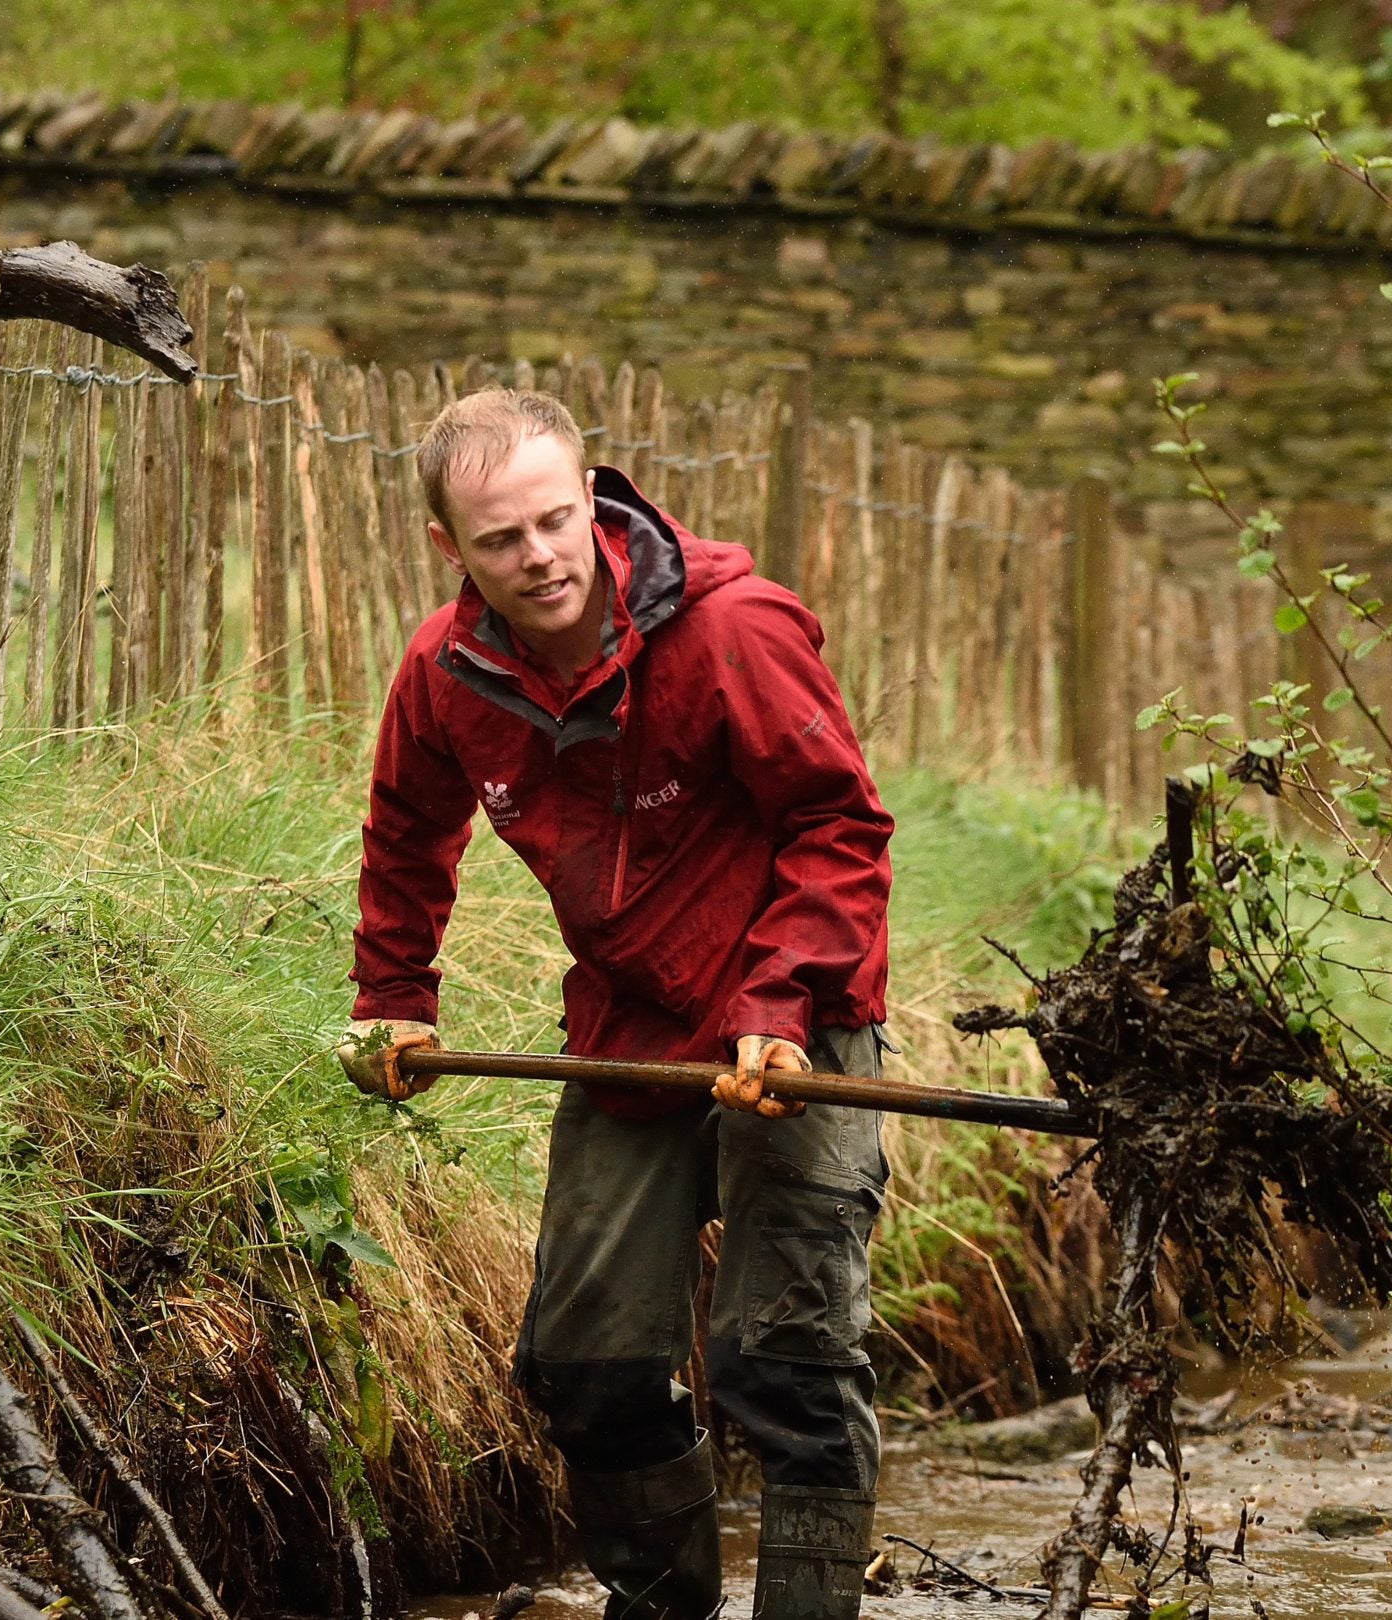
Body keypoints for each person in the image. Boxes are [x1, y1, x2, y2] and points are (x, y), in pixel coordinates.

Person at [337, 389, 895, 1620]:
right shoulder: (446, 672)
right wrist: (393, 995)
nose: (537, 558)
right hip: (632, 1032)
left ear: (591, 499)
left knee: (786, 1361)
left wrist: (781, 996)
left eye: (553, 521)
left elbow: (838, 824)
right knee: (587, 1368)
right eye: (499, 540)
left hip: (804, 1019)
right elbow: (407, 834)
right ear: (451, 550)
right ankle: (662, 1606)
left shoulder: (735, 632)